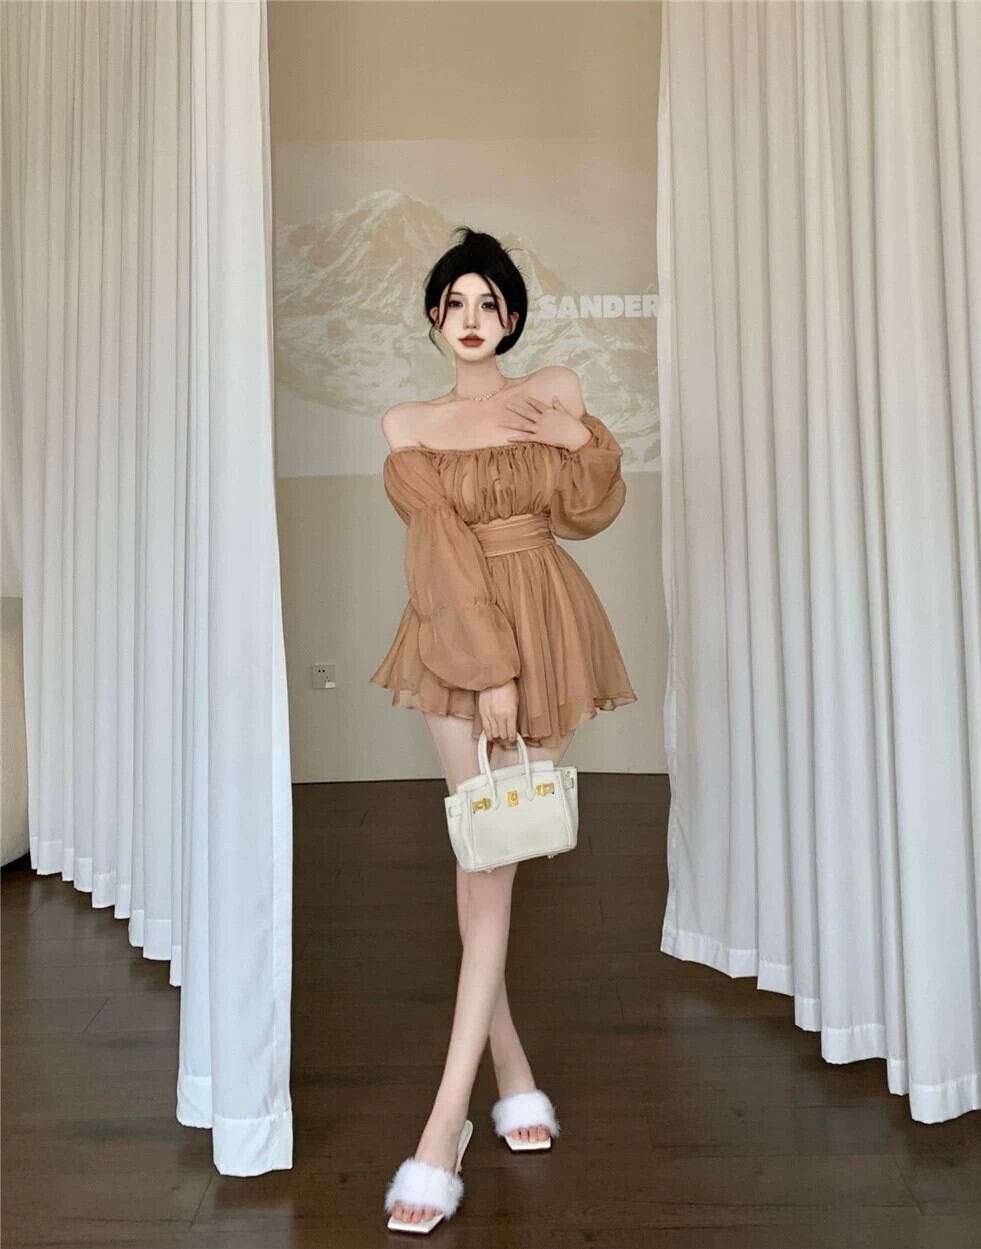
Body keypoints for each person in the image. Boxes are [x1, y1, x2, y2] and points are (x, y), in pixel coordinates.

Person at [369, 227, 637, 1232]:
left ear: (513, 316)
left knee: (493, 862)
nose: (473, 319)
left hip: (551, 622)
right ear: (433, 317)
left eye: (490, 302)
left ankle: (448, 1122)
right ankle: (494, 1088)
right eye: (456, 302)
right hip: (458, 632)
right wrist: (489, 673)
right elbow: (438, 553)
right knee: (482, 856)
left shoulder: (551, 391)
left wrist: (577, 438)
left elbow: (588, 510)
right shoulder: (408, 423)